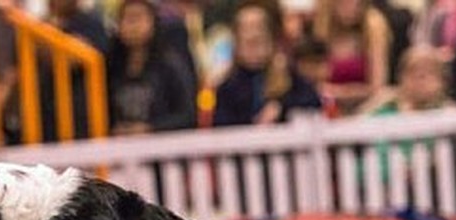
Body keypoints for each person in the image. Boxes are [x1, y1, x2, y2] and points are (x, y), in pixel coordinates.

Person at [212, 0, 322, 127]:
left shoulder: (290, 78)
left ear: (271, 38)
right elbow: (222, 130)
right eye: (245, 32)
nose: (252, 36)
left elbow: (313, 104)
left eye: (258, 30)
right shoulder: (227, 89)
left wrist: (282, 108)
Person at [106, 0, 199, 135]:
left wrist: (151, 129)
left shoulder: (170, 66)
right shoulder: (111, 67)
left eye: (138, 18)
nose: (133, 26)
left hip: (162, 148)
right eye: (127, 18)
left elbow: (188, 115)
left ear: (153, 22)